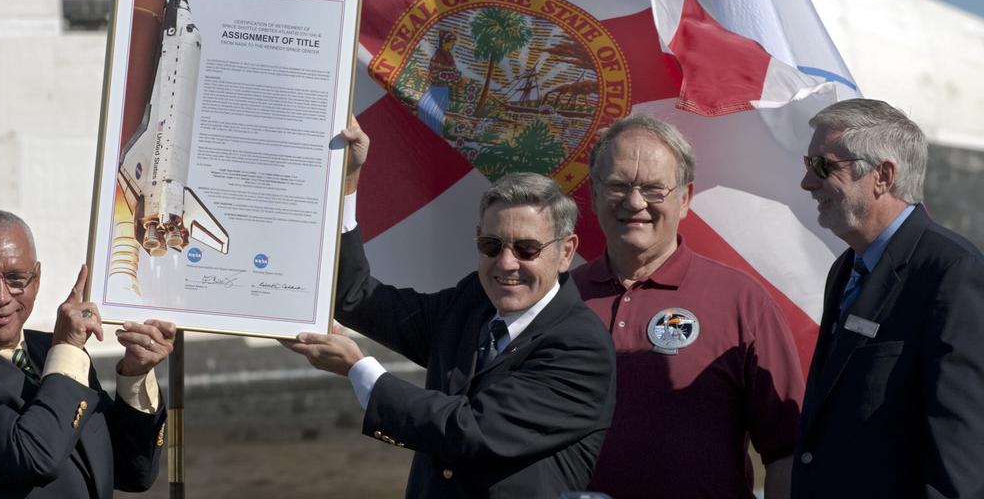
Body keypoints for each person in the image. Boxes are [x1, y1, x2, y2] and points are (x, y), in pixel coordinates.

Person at [285, 122, 615, 497]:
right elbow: (356, 298)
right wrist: (348, 179)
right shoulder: (472, 301)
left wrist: (359, 370)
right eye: (491, 245)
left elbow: (472, 430)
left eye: (526, 249)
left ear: (566, 252)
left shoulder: (581, 347)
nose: (506, 263)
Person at [571, 114, 803, 499]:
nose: (634, 202)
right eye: (617, 185)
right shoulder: (558, 299)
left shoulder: (741, 301)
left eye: (653, 189)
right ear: (594, 195)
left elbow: (786, 449)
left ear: (686, 198)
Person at [0, 209, 169, 498]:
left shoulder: (51, 352)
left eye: (16, 279)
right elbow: (34, 456)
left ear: (36, 280)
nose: (0, 297)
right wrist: (68, 350)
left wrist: (135, 375)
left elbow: (132, 472)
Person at [793, 98, 984, 498]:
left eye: (823, 166)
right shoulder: (846, 268)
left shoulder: (951, 270)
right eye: (808, 165)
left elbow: (960, 450)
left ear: (882, 175)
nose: (807, 183)